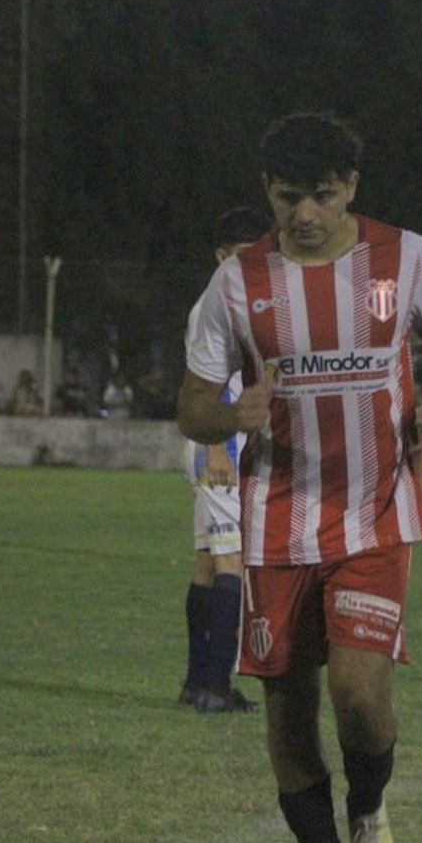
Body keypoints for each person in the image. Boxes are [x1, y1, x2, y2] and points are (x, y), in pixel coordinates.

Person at [177, 112, 422, 843]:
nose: (305, 215)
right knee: (288, 715)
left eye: (322, 195)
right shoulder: (236, 283)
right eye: (289, 198)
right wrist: (229, 413)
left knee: (356, 692)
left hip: (375, 511)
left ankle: (369, 810)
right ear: (267, 192)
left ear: (350, 187)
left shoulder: (404, 257)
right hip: (278, 520)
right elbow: (191, 405)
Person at [178, 207, 271, 716]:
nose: (248, 265)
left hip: (220, 438)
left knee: (208, 563)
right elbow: (207, 385)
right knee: (233, 561)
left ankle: (197, 682)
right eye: (239, 256)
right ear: (220, 256)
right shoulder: (216, 304)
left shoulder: (239, 302)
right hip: (219, 442)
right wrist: (217, 443)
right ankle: (215, 684)